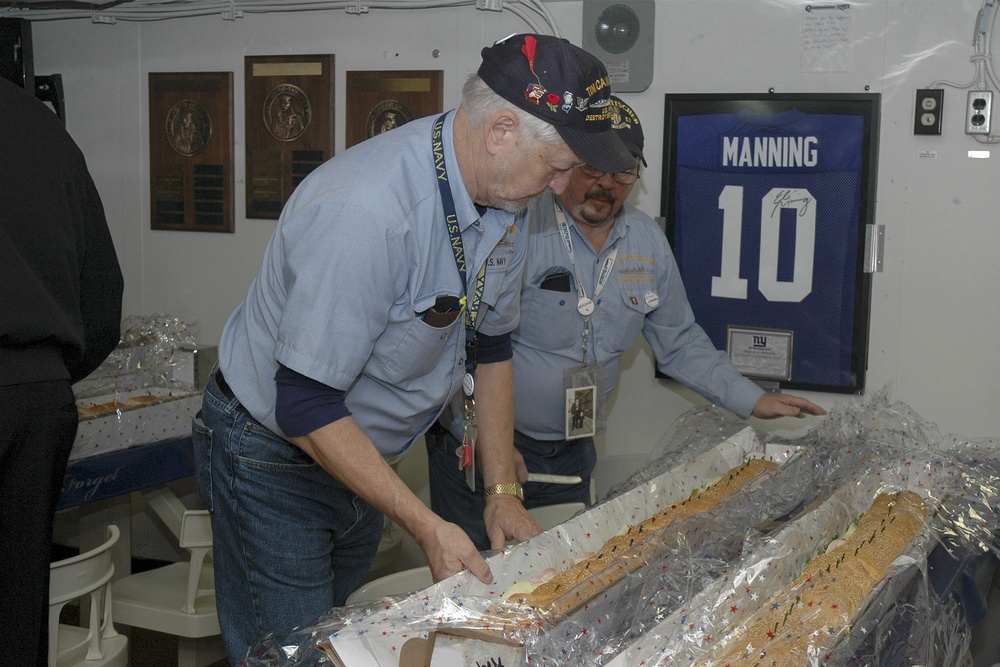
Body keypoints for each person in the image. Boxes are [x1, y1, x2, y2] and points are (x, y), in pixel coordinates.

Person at [192, 33, 635, 662]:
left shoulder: (509, 196)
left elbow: (492, 344)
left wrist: (502, 492)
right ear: (501, 132)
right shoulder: (368, 211)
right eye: (558, 165)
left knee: (341, 646)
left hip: (360, 454)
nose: (564, 185)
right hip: (273, 452)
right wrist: (425, 524)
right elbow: (304, 402)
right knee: (292, 655)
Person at [427, 96, 825, 549]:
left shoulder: (646, 240)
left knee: (562, 574)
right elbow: (461, 343)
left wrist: (753, 398)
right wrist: (484, 442)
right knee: (477, 574)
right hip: (483, 445)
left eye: (623, 173)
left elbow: (679, 341)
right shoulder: (517, 223)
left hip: (573, 450)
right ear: (565, 163)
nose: (606, 185)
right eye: (592, 169)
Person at [0, 76, 124, 667]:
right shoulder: (37, 123)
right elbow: (103, 299)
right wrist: (43, 368)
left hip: (34, 386)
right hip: (38, 397)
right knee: (18, 606)